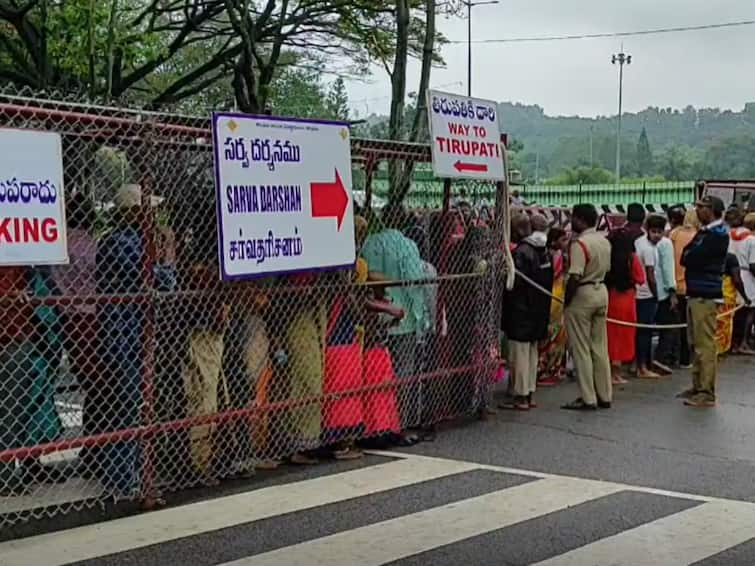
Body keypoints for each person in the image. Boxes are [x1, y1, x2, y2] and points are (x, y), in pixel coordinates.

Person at [361, 204, 429, 430]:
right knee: (403, 369)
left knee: (374, 370)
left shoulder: (369, 242)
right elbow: (415, 279)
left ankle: (376, 419)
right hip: (404, 316)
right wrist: (421, 316)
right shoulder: (407, 245)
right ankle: (400, 420)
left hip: (374, 314)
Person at [679, 195, 729, 408]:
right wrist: (690, 253)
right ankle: (697, 384)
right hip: (696, 290)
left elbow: (692, 256)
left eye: (701, 207)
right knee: (695, 342)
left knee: (705, 345)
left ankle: (706, 391)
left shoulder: (717, 234)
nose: (697, 211)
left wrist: (690, 254)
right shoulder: (705, 231)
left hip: (705, 294)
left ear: (712, 210)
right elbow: (685, 255)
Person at [501, 214, 553, 410]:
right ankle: (529, 392)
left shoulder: (521, 252)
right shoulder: (543, 251)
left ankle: (520, 396)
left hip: (521, 312)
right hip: (538, 310)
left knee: (519, 355)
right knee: (531, 353)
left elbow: (514, 284)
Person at [562, 204, 612, 411]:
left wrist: (567, 300)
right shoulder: (604, 240)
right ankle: (605, 394)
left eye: (574, 218)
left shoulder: (579, 244)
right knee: (600, 347)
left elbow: (575, 275)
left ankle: (588, 397)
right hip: (601, 291)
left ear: (581, 220)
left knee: (581, 348)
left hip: (582, 294)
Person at [606, 230, 645, 384]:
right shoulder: (631, 258)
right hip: (627, 299)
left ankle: (609, 371)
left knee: (610, 335)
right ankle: (617, 373)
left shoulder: (608, 256)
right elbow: (640, 278)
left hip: (611, 297)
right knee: (623, 336)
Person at [634, 215, 666, 379]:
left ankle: (640, 365)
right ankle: (642, 367)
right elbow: (651, 276)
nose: (657, 235)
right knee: (644, 332)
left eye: (660, 232)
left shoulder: (640, 242)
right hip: (646, 295)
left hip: (638, 293)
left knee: (641, 331)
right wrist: (657, 295)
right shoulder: (648, 249)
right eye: (654, 232)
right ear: (648, 230)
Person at [538, 227, 570, 387]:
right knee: (555, 335)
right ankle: (550, 370)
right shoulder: (555, 255)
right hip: (555, 296)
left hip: (556, 295)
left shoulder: (549, 254)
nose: (566, 243)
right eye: (563, 240)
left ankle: (549, 369)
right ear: (554, 240)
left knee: (555, 334)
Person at [669, 208, 700, 368]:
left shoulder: (674, 234)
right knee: (690, 326)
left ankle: (674, 356)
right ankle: (687, 357)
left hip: (674, 283)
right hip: (692, 285)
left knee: (676, 323)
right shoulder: (699, 236)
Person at [652, 218, 678, 371]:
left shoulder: (643, 241)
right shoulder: (665, 243)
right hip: (663, 290)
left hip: (647, 290)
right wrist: (672, 291)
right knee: (668, 326)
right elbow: (668, 269)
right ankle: (661, 357)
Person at [730, 212, 755, 355]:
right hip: (749, 277)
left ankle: (734, 342)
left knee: (737, 311)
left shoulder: (732, 235)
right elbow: (753, 264)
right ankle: (743, 342)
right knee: (750, 310)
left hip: (735, 275)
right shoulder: (752, 240)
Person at [716, 251, 746, 355]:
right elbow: (737, 280)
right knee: (724, 324)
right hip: (726, 296)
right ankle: (720, 350)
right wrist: (745, 297)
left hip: (710, 294)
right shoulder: (730, 258)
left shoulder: (709, 255)